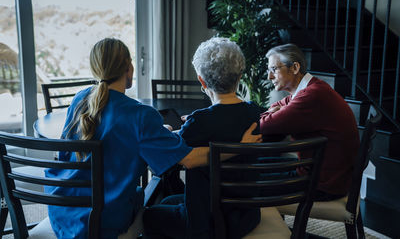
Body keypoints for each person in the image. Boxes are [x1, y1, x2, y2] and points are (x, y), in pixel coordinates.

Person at [44, 38, 261, 239]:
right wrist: (240, 147)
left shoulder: (81, 98)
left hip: (62, 208)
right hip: (102, 220)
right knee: (147, 195)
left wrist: (156, 132)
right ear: (129, 68)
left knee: (156, 197)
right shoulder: (140, 115)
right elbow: (188, 159)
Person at [143, 37, 265, 239]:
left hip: (207, 222)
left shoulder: (199, 122)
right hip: (246, 216)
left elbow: (171, 159)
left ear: (201, 80)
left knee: (150, 216)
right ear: (240, 75)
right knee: (169, 201)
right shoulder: (255, 113)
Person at [260, 43, 360, 200]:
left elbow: (264, 125)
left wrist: (271, 114)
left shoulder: (312, 95)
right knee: (257, 165)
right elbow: (276, 106)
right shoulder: (311, 88)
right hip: (324, 174)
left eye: (274, 70)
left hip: (323, 183)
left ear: (294, 68)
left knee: (248, 179)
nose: (269, 77)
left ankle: (257, 223)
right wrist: (272, 112)